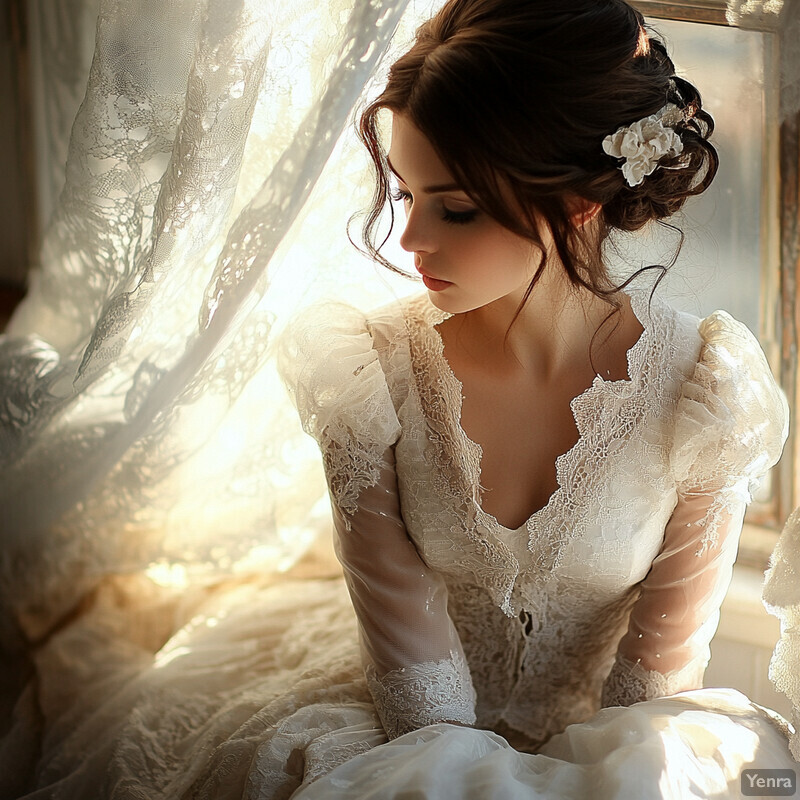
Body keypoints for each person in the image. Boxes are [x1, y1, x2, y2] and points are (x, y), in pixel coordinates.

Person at [276, 0, 797, 795]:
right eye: (408, 195)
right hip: (394, 742)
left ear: (578, 200)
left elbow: (654, 683)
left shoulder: (706, 390)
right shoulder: (364, 373)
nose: (410, 239)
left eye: (454, 208)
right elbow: (420, 700)